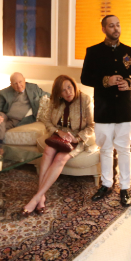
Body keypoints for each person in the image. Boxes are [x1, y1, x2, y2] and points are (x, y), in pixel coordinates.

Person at [80, 15, 131, 207]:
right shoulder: (93, 51)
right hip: (103, 110)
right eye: (111, 26)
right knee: (105, 149)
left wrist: (128, 83)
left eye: (118, 25)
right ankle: (106, 184)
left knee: (124, 150)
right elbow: (85, 78)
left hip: (124, 110)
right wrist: (106, 81)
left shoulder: (129, 51)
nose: (116, 28)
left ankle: (125, 188)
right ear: (103, 28)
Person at [22, 75, 95, 215]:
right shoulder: (54, 101)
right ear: (58, 93)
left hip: (76, 137)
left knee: (60, 158)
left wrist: (77, 138)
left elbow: (92, 126)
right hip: (59, 134)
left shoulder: (85, 99)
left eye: (69, 87)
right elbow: (47, 122)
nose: (68, 92)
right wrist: (58, 132)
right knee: (48, 150)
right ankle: (41, 196)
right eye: (63, 90)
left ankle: (36, 198)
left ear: (74, 86)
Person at [0, 72, 48, 142]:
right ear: (11, 84)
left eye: (20, 82)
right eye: (15, 83)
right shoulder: (4, 92)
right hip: (6, 117)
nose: (19, 85)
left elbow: (49, 95)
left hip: (21, 119)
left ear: (24, 80)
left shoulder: (33, 88)